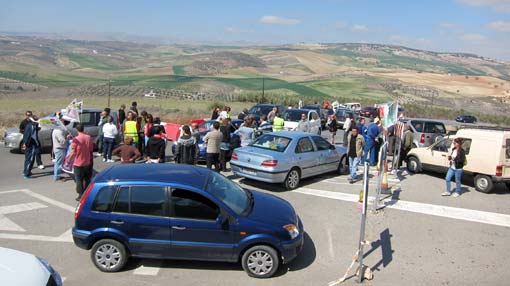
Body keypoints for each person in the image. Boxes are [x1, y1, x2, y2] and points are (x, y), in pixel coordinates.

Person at [65, 123, 94, 201]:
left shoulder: (76, 140)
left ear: (76, 129)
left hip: (78, 163)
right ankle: (86, 193)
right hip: (87, 161)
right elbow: (91, 148)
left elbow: (73, 152)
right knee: (87, 178)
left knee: (79, 180)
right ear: (83, 129)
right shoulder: (88, 137)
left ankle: (81, 195)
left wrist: (68, 161)